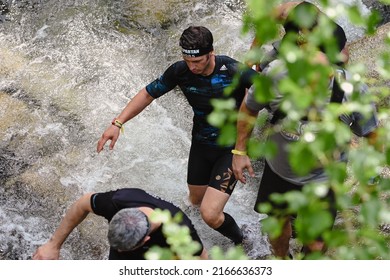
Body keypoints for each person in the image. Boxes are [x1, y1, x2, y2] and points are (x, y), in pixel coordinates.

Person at [96, 26, 257, 245]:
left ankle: (244, 240)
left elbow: (271, 93)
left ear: (212, 52)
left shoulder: (232, 69)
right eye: (188, 61)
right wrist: (117, 123)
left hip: (231, 148)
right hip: (201, 146)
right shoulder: (180, 71)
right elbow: (147, 93)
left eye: (198, 61)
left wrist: (243, 148)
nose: (192, 67)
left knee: (209, 214)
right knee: (195, 202)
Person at [232, 35, 379, 257]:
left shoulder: (352, 89)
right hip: (280, 170)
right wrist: (239, 151)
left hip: (324, 178)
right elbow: (249, 108)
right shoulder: (276, 75)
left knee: (317, 246)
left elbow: (372, 134)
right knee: (278, 229)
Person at [32, 188, 208, 260]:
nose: (118, 250)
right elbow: (82, 204)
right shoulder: (118, 202)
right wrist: (53, 244)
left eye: (123, 249)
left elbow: (201, 259)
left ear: (146, 238)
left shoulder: (181, 232)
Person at [249, 1, 349, 72]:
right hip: (287, 46)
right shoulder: (291, 11)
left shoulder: (335, 40)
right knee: (262, 67)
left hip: (313, 63)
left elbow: (342, 62)